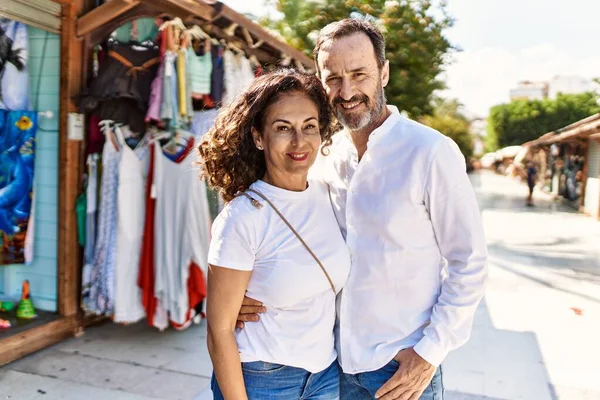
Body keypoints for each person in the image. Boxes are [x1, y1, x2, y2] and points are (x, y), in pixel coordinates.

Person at [237, 19, 488, 400]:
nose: (347, 91)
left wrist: (430, 353)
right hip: (332, 364)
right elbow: (288, 226)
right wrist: (240, 290)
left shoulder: (430, 152)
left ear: (383, 73)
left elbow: (469, 262)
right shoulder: (324, 155)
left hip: (400, 368)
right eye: (333, 78)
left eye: (359, 74)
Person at [199, 69, 351, 400]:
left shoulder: (331, 195)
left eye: (309, 127)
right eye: (283, 128)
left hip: (326, 374)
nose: (299, 141)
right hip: (263, 378)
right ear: (258, 137)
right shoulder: (243, 217)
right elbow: (219, 330)